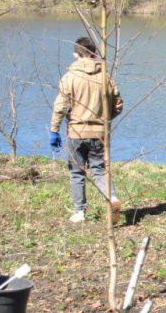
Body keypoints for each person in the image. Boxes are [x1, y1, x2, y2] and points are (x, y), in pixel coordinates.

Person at [49, 37, 123, 224]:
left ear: (76, 55)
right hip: (99, 133)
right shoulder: (105, 77)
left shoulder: (69, 77)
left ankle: (79, 212)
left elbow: (60, 106)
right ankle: (112, 198)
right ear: (94, 53)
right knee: (99, 169)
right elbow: (118, 105)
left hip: (76, 132)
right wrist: (104, 120)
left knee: (77, 172)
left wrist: (54, 130)